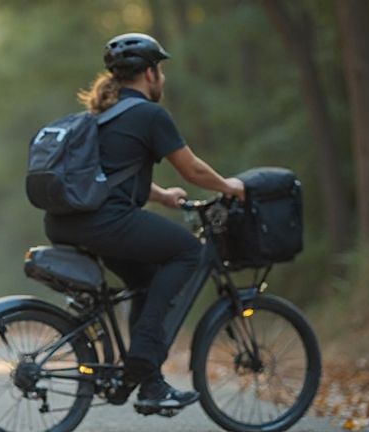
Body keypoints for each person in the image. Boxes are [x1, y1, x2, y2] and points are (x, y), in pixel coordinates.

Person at [43, 33, 246, 411]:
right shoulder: (150, 115)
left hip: (66, 222)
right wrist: (228, 186)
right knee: (188, 251)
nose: (163, 79)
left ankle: (149, 382)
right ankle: (142, 357)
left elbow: (107, 175)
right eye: (161, 71)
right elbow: (192, 169)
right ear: (150, 74)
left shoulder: (102, 113)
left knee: (145, 280)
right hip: (105, 223)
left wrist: (162, 196)